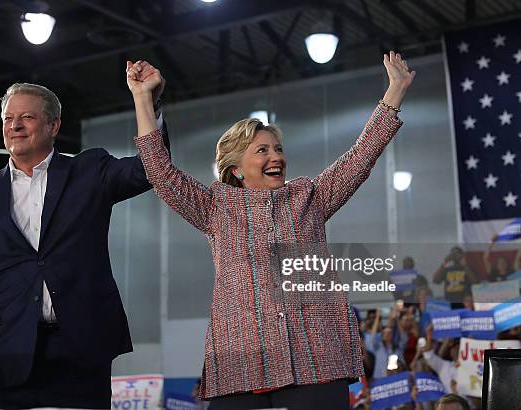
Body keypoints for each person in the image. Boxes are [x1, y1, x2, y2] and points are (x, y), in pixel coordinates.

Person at [127, 51, 415, 409]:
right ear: (236, 169)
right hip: (240, 364)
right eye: (261, 150)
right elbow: (160, 172)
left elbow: (361, 155)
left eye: (277, 148)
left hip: (315, 361)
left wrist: (396, 91)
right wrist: (143, 99)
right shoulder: (215, 207)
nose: (275, 156)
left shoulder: (310, 197)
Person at [0, 80, 168, 409]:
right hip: (6, 354)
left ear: (54, 125)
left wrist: (145, 100)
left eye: (27, 118)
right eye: (8, 118)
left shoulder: (90, 170)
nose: (15, 126)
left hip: (82, 348)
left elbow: (152, 170)